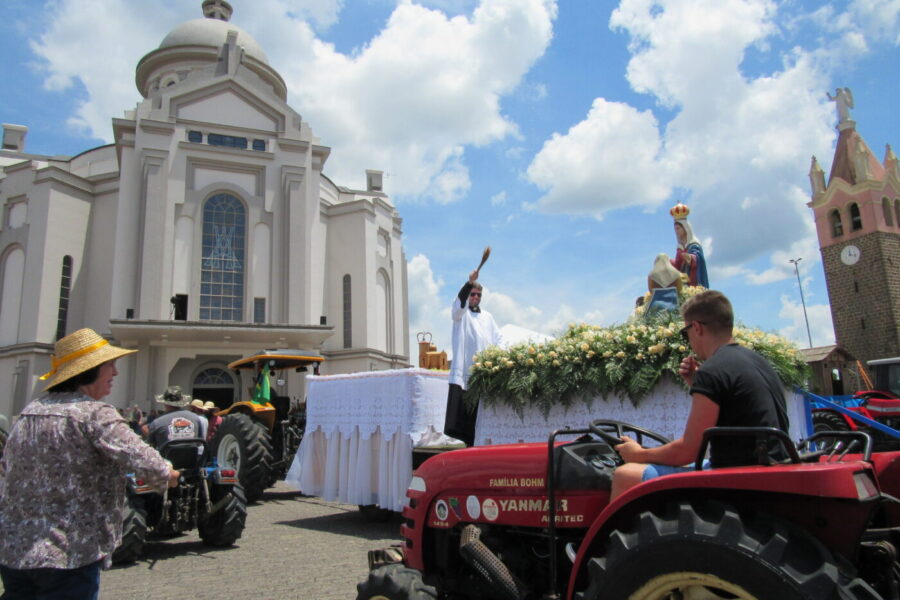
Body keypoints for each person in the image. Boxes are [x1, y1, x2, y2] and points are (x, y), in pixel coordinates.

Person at [0, 328, 179, 599]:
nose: (115, 373)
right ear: (91, 370)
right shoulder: (93, 413)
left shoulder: (30, 411)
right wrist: (169, 475)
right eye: (111, 366)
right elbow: (150, 465)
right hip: (67, 553)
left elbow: (7, 470)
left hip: (15, 550)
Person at [610, 290, 789, 500]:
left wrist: (638, 454)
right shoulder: (759, 362)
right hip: (770, 467)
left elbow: (688, 451)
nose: (688, 340)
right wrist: (697, 383)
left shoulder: (712, 370)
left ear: (696, 327)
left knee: (624, 475)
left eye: (685, 333)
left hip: (734, 477)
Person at [443, 269, 502, 446]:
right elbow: (458, 305)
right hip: (467, 372)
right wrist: (469, 282)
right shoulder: (461, 314)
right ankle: (470, 445)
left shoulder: (488, 317)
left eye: (478, 295)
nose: (475, 297)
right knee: (467, 418)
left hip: (485, 373)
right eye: (473, 294)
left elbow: (499, 339)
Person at [669, 203, 709, 288]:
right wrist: (669, 262)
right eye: (675, 229)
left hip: (694, 281)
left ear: (685, 228)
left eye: (678, 228)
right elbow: (678, 266)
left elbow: (698, 258)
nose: (676, 231)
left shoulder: (693, 244)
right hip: (684, 283)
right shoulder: (680, 248)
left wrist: (691, 258)